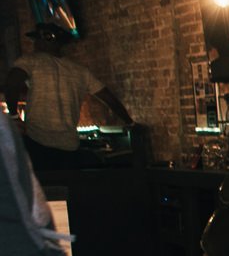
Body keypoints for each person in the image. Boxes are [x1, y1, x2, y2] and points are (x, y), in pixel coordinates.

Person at [4, 23, 133, 170]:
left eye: (37, 40)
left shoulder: (31, 61)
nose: (35, 44)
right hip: (69, 148)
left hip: (38, 144)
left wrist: (14, 116)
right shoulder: (80, 71)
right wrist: (129, 122)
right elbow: (109, 98)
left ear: (48, 40)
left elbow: (12, 83)